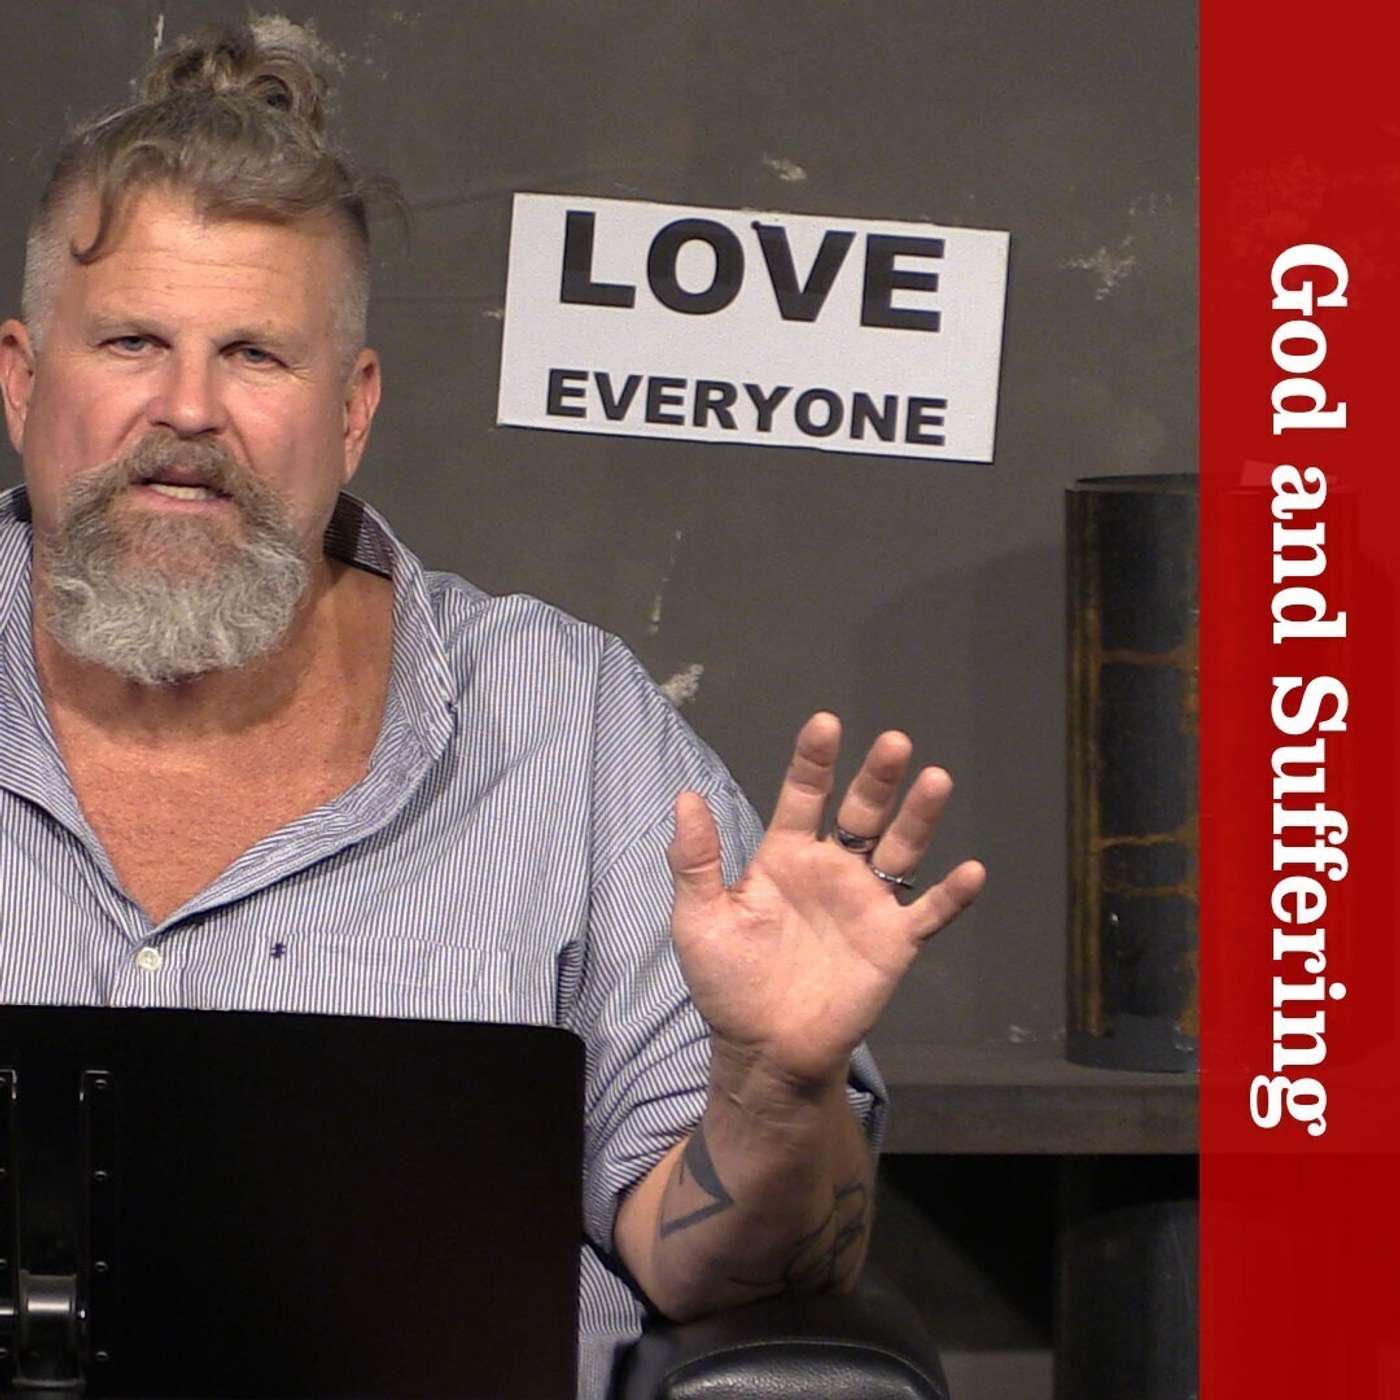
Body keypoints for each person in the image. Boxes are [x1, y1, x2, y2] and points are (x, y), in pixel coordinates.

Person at [0, 19, 984, 1397]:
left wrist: (773, 1093)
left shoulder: (567, 727)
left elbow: (716, 1266)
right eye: (129, 341)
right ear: (21, 378)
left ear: (353, 413)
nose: (188, 409)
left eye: (257, 356)